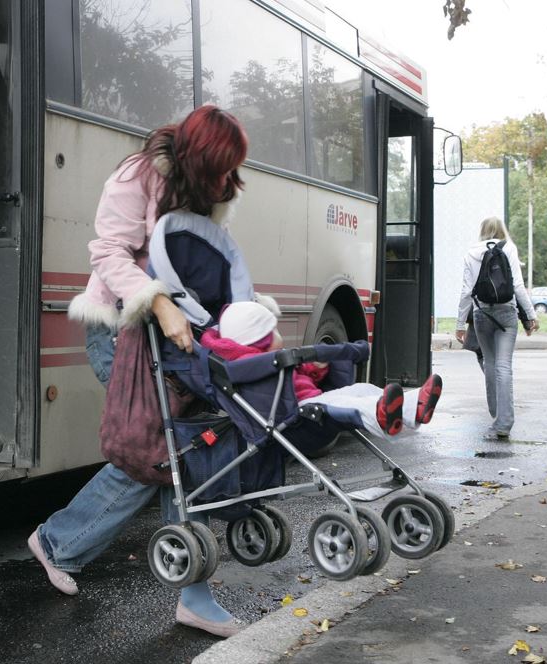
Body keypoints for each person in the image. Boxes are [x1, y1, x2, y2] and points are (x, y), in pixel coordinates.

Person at [27, 105, 253, 638]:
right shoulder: (139, 175)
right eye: (220, 168)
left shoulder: (209, 188)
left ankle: (190, 593)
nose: (226, 180)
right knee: (161, 448)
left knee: (179, 447)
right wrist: (159, 303)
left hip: (172, 334)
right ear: (196, 158)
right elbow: (108, 251)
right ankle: (64, 543)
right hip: (121, 328)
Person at [201, 301, 443, 438]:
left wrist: (316, 368)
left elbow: (300, 377)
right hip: (296, 413)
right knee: (352, 403)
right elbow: (292, 385)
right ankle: (381, 416)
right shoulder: (256, 366)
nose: (279, 335)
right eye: (272, 332)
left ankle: (414, 407)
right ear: (259, 342)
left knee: (361, 388)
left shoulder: (266, 361)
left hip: (311, 401)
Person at [455, 217, 539, 439]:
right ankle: (504, 422)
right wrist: (531, 314)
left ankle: (495, 415)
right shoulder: (508, 248)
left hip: (481, 314)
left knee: (490, 363)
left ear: (482, 230)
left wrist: (460, 324)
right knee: (504, 366)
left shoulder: (471, 252)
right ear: (501, 230)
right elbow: (518, 286)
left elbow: (466, 291)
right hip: (506, 313)